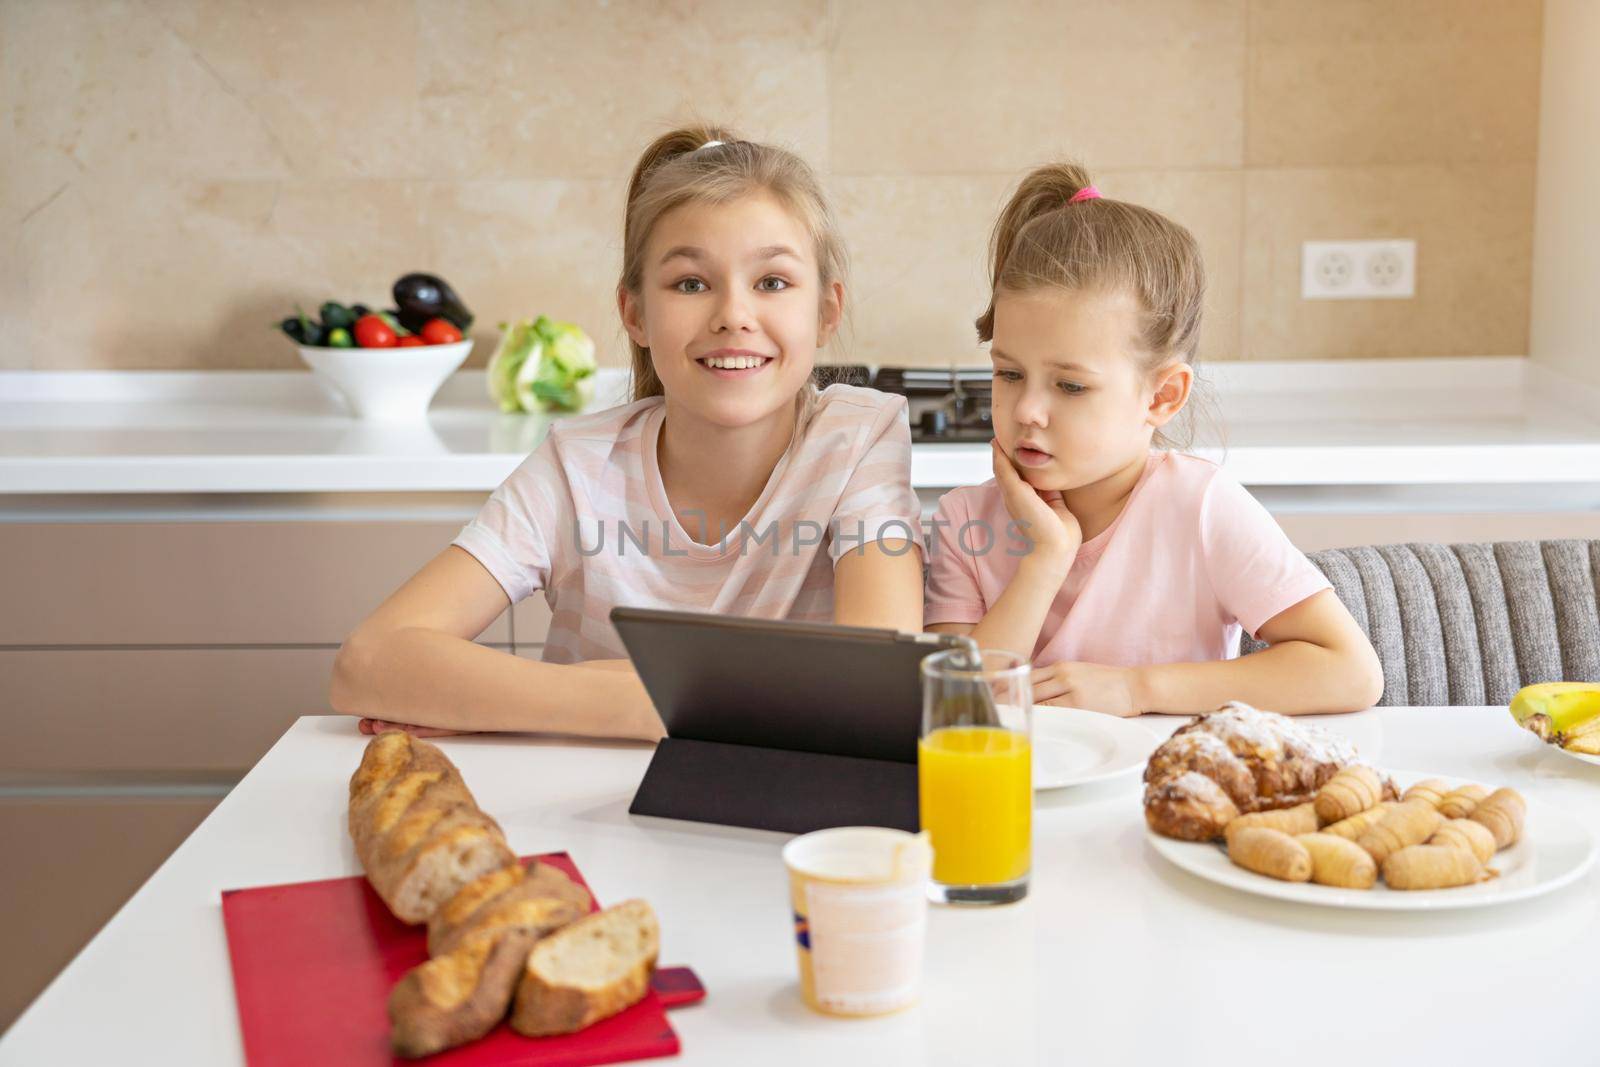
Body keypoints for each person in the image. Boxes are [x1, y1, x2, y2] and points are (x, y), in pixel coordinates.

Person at [331, 126, 925, 739]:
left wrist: (491, 698)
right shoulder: (579, 464)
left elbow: (878, 684)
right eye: (691, 283)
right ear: (635, 313)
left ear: (826, 311)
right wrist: (634, 702)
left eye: (771, 282)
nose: (734, 316)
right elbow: (367, 661)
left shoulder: (859, 439)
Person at [924, 163, 1383, 716]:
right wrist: (1045, 559)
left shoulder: (1201, 507)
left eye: (1070, 386)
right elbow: (954, 709)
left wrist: (1137, 689)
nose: (1027, 411)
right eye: (1008, 374)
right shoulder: (962, 523)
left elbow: (1351, 672)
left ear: (1163, 396)